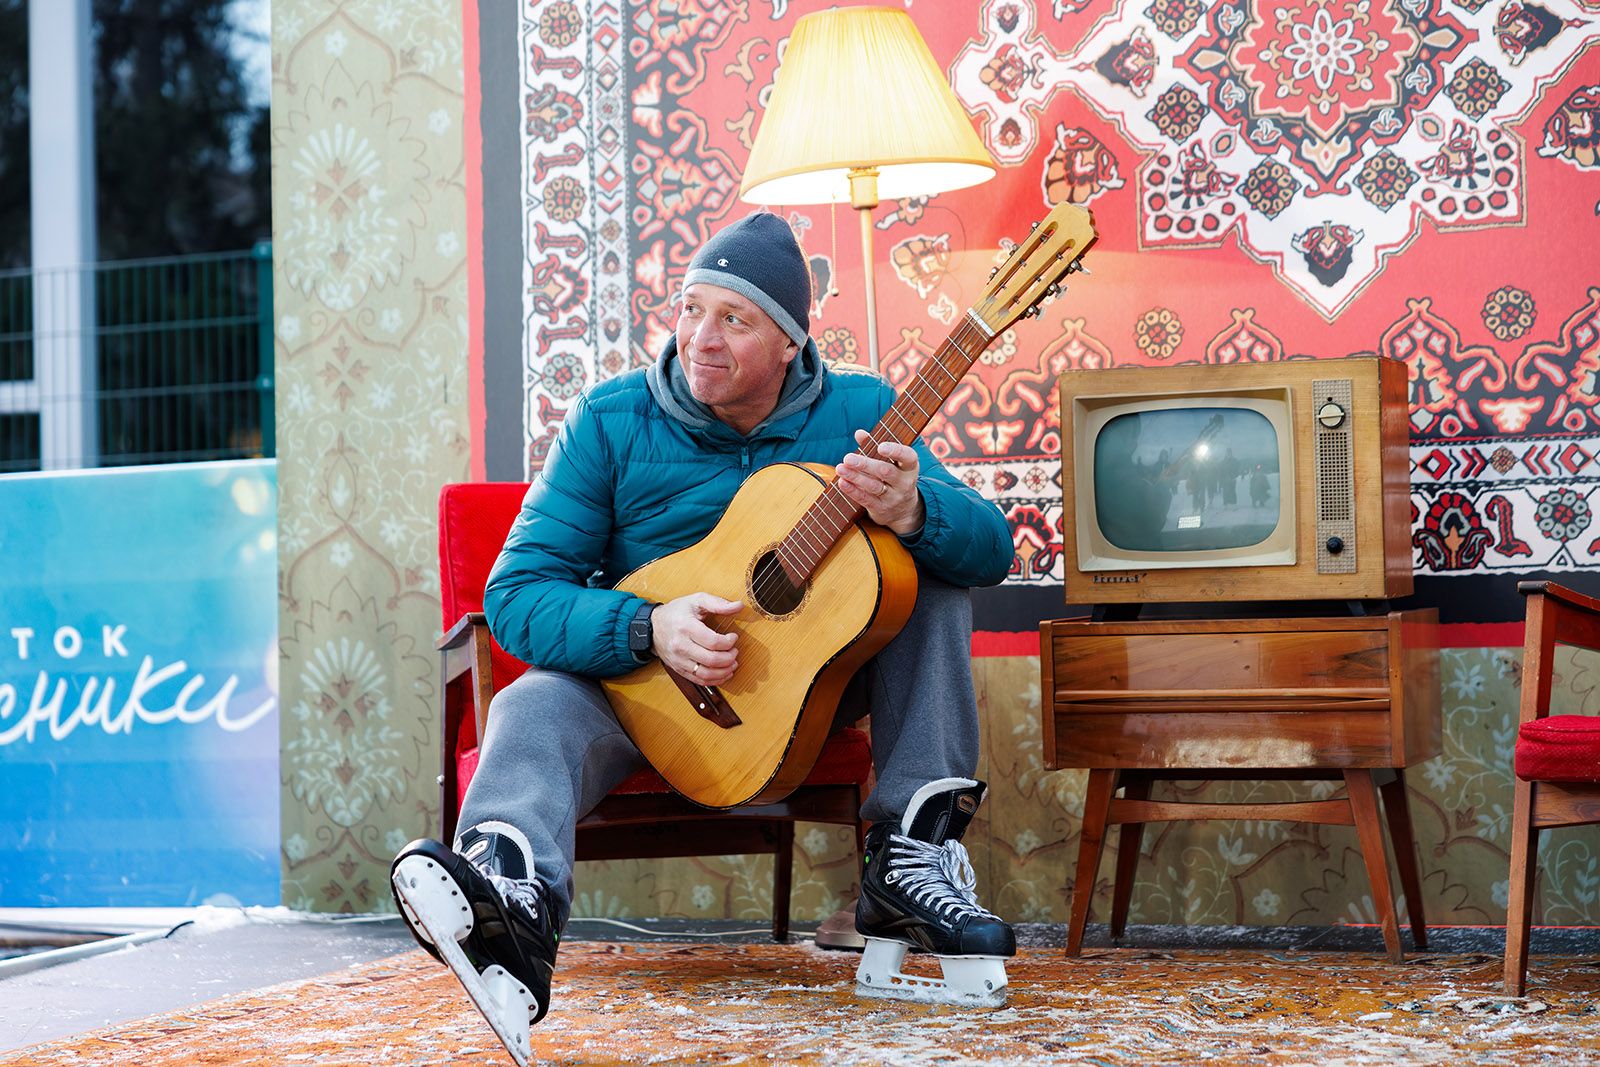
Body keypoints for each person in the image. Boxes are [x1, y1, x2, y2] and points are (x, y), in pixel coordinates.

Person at [390, 212, 1018, 1054]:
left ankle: (910, 859)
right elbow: (515, 595)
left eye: (735, 318)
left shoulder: (865, 411)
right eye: (691, 307)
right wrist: (646, 625)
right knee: (533, 701)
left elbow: (992, 549)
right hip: (641, 693)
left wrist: (914, 509)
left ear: (791, 341)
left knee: (926, 579)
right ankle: (510, 904)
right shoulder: (609, 419)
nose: (701, 337)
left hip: (804, 695)